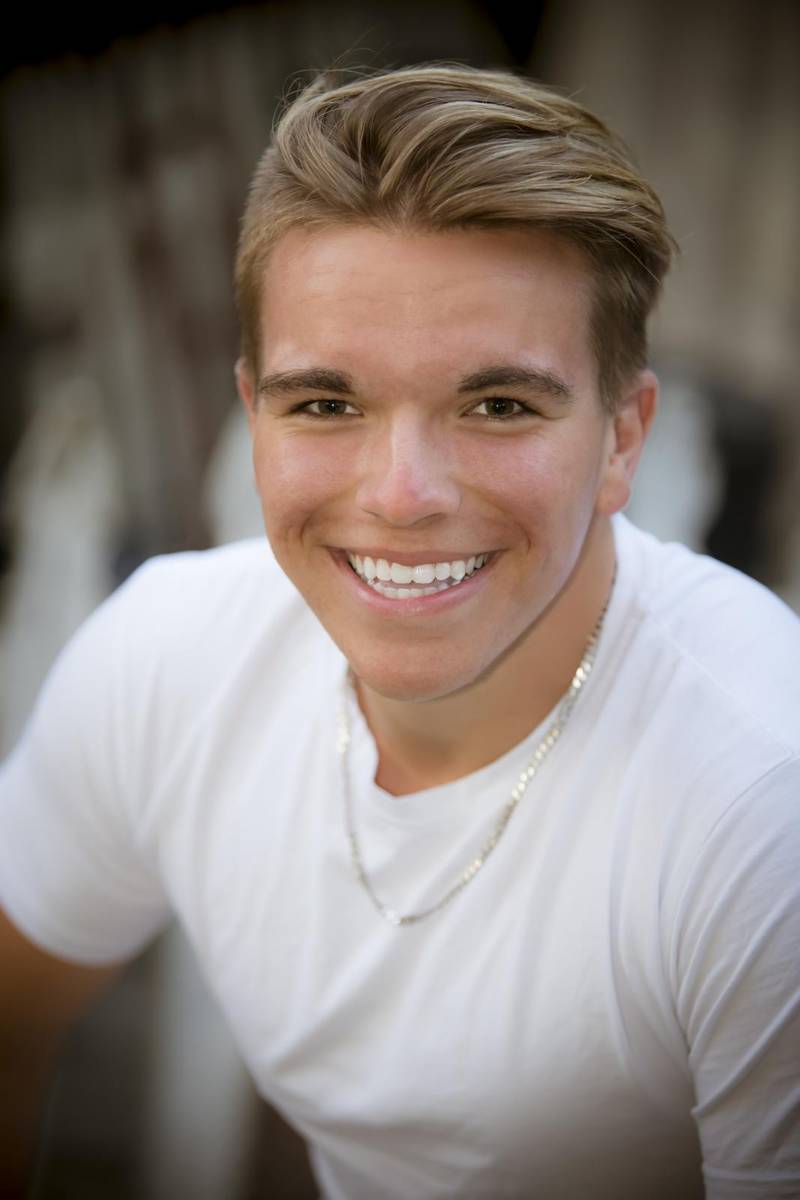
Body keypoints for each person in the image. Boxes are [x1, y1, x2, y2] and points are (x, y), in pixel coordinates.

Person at [1, 64, 798, 1200]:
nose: (401, 493)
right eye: (326, 403)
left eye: (497, 405)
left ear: (623, 439)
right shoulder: (168, 660)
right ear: (254, 418)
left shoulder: (759, 802)